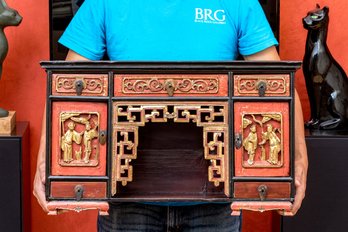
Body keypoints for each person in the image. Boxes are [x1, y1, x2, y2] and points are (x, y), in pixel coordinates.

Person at [34, 0, 308, 231]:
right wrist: (45, 163)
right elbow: (65, 87)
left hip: (215, 199)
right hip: (125, 201)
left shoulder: (237, 3)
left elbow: (277, 84)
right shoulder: (104, 4)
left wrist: (298, 162)